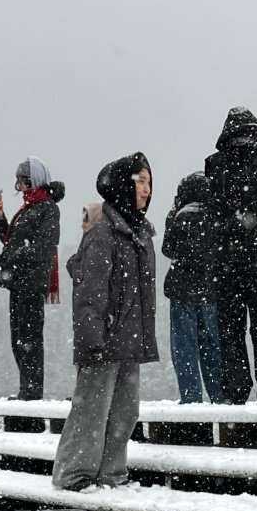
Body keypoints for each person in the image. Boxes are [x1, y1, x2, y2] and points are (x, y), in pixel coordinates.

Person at [52, 154, 158, 492]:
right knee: (91, 415)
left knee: (125, 415)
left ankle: (112, 475)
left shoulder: (139, 234)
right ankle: (74, 477)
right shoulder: (103, 234)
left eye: (149, 181)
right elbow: (90, 295)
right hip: (104, 341)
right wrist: (91, 342)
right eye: (141, 180)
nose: (147, 188)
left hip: (129, 342)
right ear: (124, 185)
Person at [204, 108, 257, 404]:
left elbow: (215, 213)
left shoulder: (216, 165)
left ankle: (239, 393)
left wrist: (235, 224)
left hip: (230, 262)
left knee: (232, 331)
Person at [0, 158, 65, 400]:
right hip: (19, 282)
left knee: (30, 337)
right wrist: (1, 217)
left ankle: (32, 391)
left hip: (32, 282)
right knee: (18, 337)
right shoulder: (29, 208)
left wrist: (16, 256)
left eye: (23, 180)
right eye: (18, 181)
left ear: (35, 180)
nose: (19, 186)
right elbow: (12, 239)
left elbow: (44, 246)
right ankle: (26, 389)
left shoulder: (46, 207)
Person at [161, 171, 222, 403]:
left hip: (182, 290)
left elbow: (169, 249)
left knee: (184, 348)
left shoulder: (178, 216)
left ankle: (191, 398)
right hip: (209, 290)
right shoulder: (214, 215)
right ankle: (218, 397)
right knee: (211, 348)